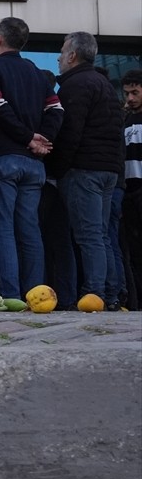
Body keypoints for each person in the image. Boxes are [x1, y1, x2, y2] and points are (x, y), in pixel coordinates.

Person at [0, 16, 65, 301]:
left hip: (4, 159)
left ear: (0, 38)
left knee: (2, 231)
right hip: (33, 164)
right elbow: (57, 109)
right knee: (29, 231)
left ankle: (11, 297)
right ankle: (36, 296)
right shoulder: (36, 72)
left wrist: (29, 137)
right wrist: (41, 139)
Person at [52, 31, 125, 307]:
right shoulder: (104, 84)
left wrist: (59, 168)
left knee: (89, 235)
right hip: (108, 171)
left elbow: (70, 133)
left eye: (61, 51)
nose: (58, 57)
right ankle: (111, 292)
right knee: (101, 234)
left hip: (84, 169)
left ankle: (95, 294)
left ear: (72, 55)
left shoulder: (75, 85)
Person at [121, 69, 142, 310]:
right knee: (134, 252)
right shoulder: (125, 120)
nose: (130, 98)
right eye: (127, 93)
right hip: (129, 190)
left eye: (135, 92)